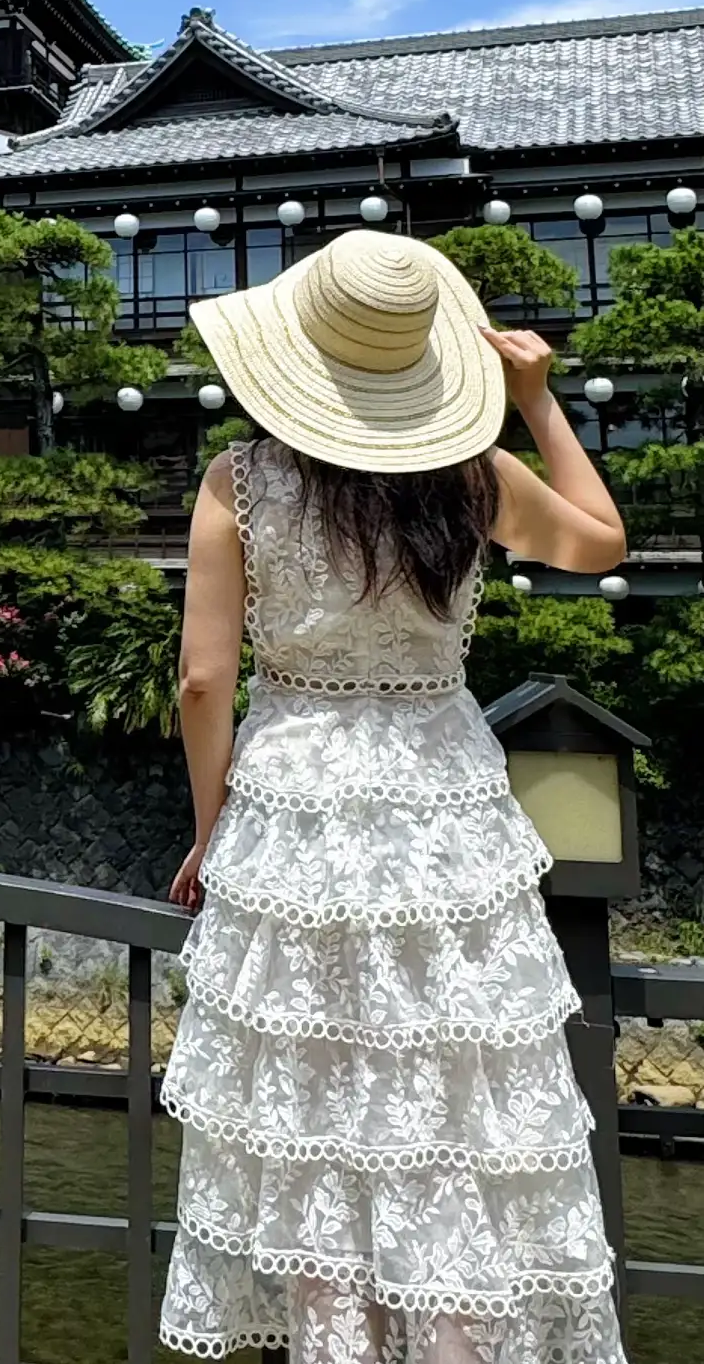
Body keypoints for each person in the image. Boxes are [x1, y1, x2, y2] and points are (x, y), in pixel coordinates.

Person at [160, 227, 630, 1364]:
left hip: (295, 814)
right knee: (451, 1119)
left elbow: (201, 680)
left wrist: (208, 830)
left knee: (313, 1125)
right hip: (443, 813)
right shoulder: (471, 479)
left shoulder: (241, 480)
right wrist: (535, 402)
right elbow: (601, 539)